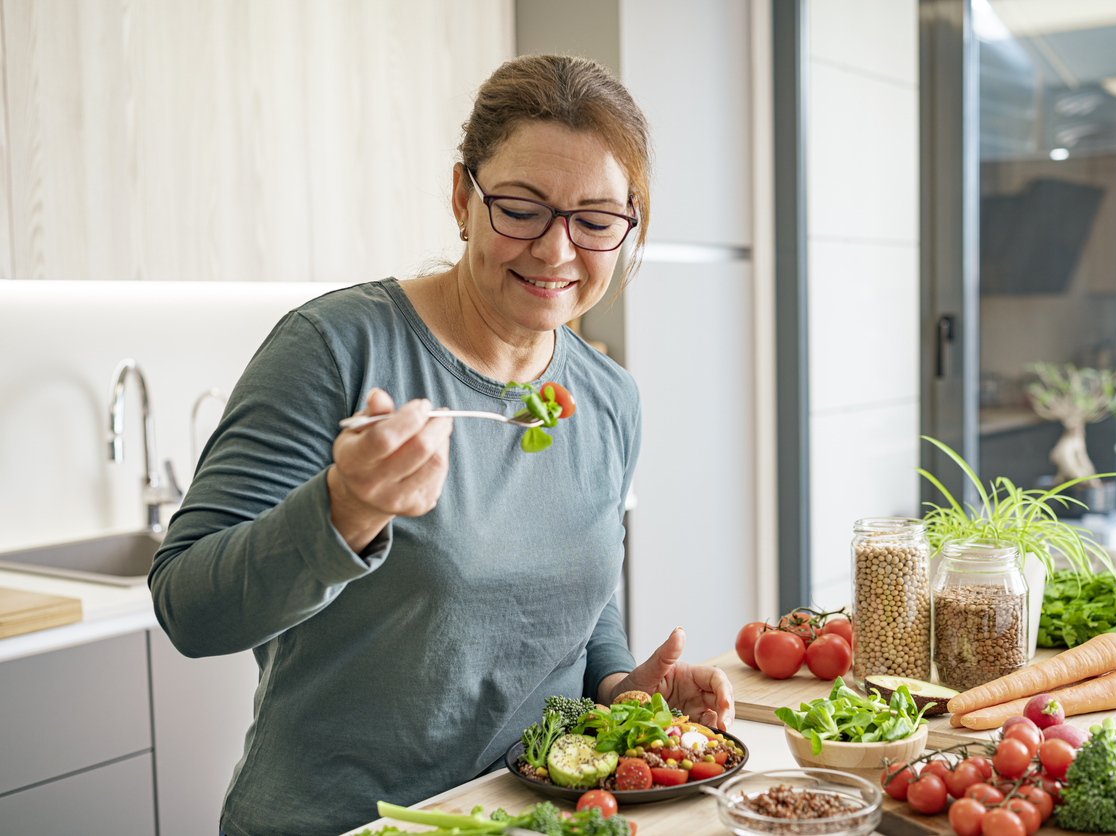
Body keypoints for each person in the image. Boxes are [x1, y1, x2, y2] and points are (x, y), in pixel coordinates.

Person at [149, 54, 734, 836]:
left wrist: (621, 686)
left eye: (594, 220)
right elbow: (189, 610)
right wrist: (342, 513)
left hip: (528, 821)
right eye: (520, 208)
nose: (557, 252)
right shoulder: (335, 349)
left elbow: (580, 604)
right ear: (462, 197)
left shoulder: (608, 396)